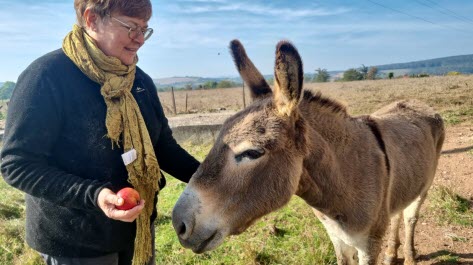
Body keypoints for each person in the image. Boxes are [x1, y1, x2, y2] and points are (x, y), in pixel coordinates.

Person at [0, 0, 200, 264]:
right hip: (76, 242)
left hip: (137, 230)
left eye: (145, 29)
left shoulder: (138, 81)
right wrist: (95, 195)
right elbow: (17, 165)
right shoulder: (46, 77)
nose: (140, 39)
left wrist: (212, 178)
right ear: (92, 19)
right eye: (131, 27)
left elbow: (162, 146)